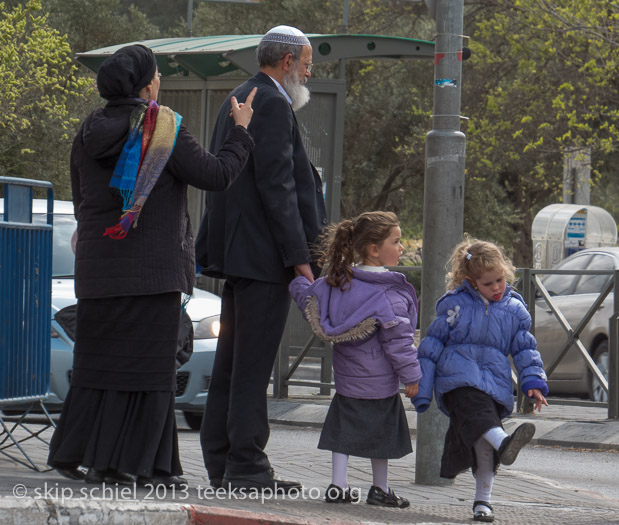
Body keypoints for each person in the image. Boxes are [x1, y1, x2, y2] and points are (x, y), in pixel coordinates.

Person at [47, 44, 255, 488]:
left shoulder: (87, 131)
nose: (159, 80)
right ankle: (141, 466)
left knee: (100, 369)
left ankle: (83, 455)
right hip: (151, 273)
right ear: (146, 85)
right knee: (150, 373)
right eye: (156, 74)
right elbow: (217, 175)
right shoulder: (163, 128)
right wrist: (240, 131)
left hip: (100, 272)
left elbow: (83, 198)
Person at [195, 25, 327, 492]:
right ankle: (247, 467)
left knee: (233, 364)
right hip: (264, 259)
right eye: (307, 62)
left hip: (240, 257)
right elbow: (279, 186)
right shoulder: (270, 102)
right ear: (287, 62)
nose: (311, 71)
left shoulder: (242, 93)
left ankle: (224, 463)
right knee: (251, 367)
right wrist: (300, 257)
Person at [288, 211, 420, 508]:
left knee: (342, 433)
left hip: (347, 380)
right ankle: (380, 489)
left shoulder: (337, 283)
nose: (401, 248)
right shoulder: (388, 293)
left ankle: (338, 485)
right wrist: (412, 376)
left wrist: (296, 283)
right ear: (374, 250)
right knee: (382, 437)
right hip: (380, 382)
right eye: (396, 242)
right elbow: (399, 342)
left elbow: (308, 297)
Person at [412, 238, 549, 523]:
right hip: (458, 379)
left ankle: (483, 503)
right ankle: (505, 442)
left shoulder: (514, 309)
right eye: (489, 284)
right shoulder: (454, 305)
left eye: (500, 280)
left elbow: (525, 349)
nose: (497, 287)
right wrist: (422, 388)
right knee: (479, 418)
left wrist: (533, 382)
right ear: (471, 281)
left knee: (481, 443)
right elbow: (431, 346)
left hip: (495, 382)